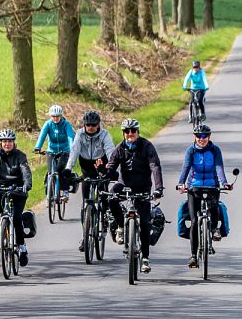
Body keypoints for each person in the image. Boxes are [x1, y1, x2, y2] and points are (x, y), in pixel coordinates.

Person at [104, 117, 163, 274]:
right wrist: (104, 172)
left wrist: (158, 188)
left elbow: (155, 166)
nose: (130, 134)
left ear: (138, 132)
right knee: (111, 198)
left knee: (144, 222)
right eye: (126, 131)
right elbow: (111, 167)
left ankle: (145, 258)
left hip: (143, 187)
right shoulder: (120, 148)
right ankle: (121, 227)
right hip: (125, 185)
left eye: (133, 131)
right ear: (123, 133)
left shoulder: (147, 146)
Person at [176, 123, 231, 268]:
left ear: (209, 137)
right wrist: (181, 183)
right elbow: (186, 167)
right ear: (194, 137)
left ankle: (213, 230)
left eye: (204, 136)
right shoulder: (191, 151)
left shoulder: (215, 150)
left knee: (214, 210)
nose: (201, 139)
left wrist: (224, 182)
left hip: (212, 186)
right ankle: (194, 256)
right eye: (198, 136)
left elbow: (219, 167)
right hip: (194, 187)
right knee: (194, 221)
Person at [0, 128, 33, 266]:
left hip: (18, 188)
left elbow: (25, 170)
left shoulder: (20, 155)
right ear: (1, 143)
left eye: (9, 141)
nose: (7, 144)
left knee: (17, 218)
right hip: (1, 186)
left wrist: (27, 184)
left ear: (13, 142)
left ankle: (22, 248)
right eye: (4, 141)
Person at [68, 109, 116, 253]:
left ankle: (107, 218)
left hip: (101, 164)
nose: (90, 128)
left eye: (93, 125)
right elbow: (74, 151)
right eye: (87, 125)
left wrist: (111, 169)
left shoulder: (105, 135)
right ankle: (85, 236)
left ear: (98, 125)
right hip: (86, 167)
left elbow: (110, 151)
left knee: (104, 195)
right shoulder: (80, 134)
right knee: (85, 204)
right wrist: (68, 168)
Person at [34, 104, 75, 194]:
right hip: (51, 151)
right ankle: (49, 193)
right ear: (50, 116)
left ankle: (65, 190)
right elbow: (42, 135)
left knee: (60, 171)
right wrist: (38, 147)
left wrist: (72, 148)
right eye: (53, 116)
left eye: (57, 116)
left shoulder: (66, 124)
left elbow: (70, 136)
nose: (55, 118)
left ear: (61, 115)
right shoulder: (48, 124)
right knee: (50, 172)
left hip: (64, 151)